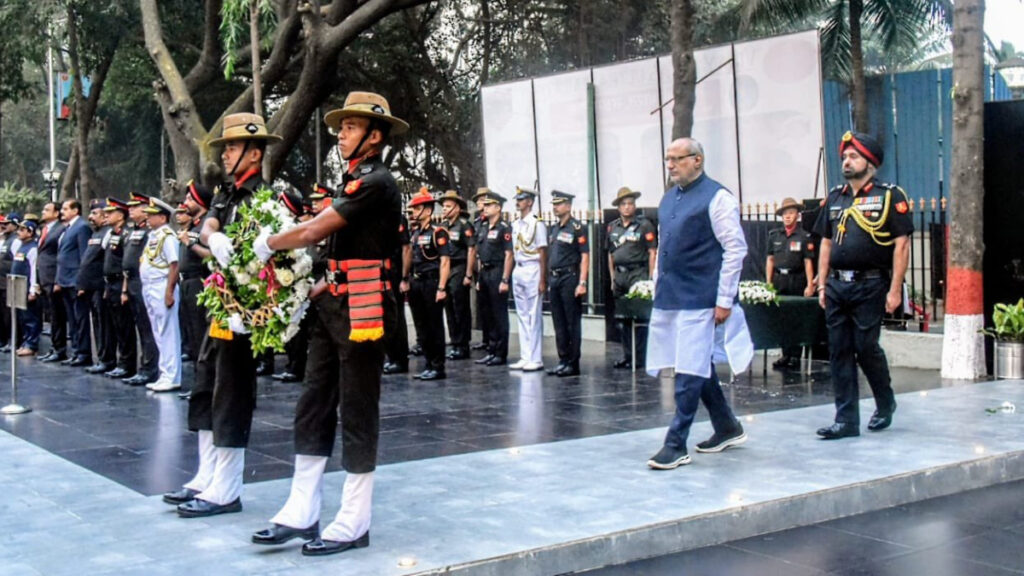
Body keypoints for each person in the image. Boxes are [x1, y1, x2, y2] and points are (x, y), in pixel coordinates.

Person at [248, 91, 403, 556]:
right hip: (333, 303)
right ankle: (302, 508)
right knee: (312, 404)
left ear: (374, 137)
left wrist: (269, 242)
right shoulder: (352, 178)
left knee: (356, 409)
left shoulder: (376, 181)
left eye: (351, 127)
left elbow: (316, 231)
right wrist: (304, 292)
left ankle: (355, 519)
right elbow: (335, 254)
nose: (341, 134)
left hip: (365, 309)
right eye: (341, 127)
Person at [165, 112, 281, 518]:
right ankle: (206, 474)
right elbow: (211, 219)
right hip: (219, 301)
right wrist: (212, 234)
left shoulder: (265, 198)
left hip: (243, 309)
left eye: (232, 147)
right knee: (206, 383)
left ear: (254, 152)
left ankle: (227, 487)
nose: (226, 154)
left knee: (231, 390)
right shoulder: (227, 192)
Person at [645, 138, 751, 470]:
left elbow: (735, 249)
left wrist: (724, 299)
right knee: (692, 362)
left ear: (698, 160)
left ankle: (676, 442)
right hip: (671, 294)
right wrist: (656, 282)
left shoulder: (718, 197)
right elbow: (664, 246)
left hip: (700, 295)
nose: (672, 165)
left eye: (678, 159)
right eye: (668, 159)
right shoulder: (668, 199)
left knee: (689, 369)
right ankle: (727, 426)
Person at [812, 131, 913, 440]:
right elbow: (826, 243)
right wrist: (821, 285)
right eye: (844, 156)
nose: (846, 161)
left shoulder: (889, 195)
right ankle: (846, 420)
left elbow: (902, 245)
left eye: (853, 156)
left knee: (865, 347)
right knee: (839, 351)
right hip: (836, 286)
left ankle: (885, 402)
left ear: (870, 163)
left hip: (870, 284)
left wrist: (895, 289)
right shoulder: (835, 196)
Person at [401, 188, 452, 380]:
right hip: (416, 282)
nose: (413, 212)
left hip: (431, 282)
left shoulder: (437, 232)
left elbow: (445, 261)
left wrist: (441, 287)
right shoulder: (415, 233)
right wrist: (406, 280)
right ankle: (429, 363)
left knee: (434, 326)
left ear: (428, 211)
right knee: (421, 326)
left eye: (417, 208)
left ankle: (438, 366)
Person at [607, 186, 657, 370]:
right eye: (624, 204)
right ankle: (628, 356)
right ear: (618, 207)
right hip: (620, 275)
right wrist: (613, 278)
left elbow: (652, 252)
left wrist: (650, 278)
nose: (627, 207)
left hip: (638, 274)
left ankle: (641, 357)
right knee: (624, 318)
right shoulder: (613, 227)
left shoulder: (644, 225)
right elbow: (610, 254)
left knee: (640, 317)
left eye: (630, 203)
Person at [766, 197, 816, 370]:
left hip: (797, 278)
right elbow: (770, 260)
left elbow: (808, 262)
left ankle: (795, 356)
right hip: (780, 279)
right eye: (785, 213)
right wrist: (768, 283)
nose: (788, 216)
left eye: (791, 213)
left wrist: (810, 284)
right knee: (781, 318)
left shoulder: (804, 236)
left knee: (796, 318)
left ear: (797, 215)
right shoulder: (775, 236)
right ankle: (785, 354)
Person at [139, 198, 182, 392]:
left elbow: (174, 264)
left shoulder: (168, 236)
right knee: (158, 331)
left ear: (162, 217)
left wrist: (169, 291)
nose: (148, 217)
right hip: (149, 286)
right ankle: (164, 373)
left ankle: (172, 375)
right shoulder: (154, 235)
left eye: (152, 214)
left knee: (168, 332)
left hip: (162, 286)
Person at [545, 190, 589, 377]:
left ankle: (573, 362)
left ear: (569, 206)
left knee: (571, 322)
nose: (555, 207)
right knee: (559, 322)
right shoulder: (554, 229)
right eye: (554, 204)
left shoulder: (577, 228)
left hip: (569, 277)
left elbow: (585, 256)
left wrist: (582, 282)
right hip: (555, 278)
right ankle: (563, 359)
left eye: (559, 204)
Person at [271, 188, 312, 383]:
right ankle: (291, 364)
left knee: (297, 328)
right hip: (283, 283)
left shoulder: (294, 230)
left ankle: (297, 367)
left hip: (297, 285)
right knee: (287, 327)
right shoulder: (280, 228)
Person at [177, 182, 214, 395]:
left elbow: (211, 254)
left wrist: (191, 245)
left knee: (201, 336)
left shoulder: (206, 227)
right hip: (187, 284)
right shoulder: (193, 226)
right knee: (191, 337)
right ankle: (198, 384)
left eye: (190, 199)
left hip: (200, 282)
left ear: (200, 202)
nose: (185, 203)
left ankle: (205, 387)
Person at [121, 193, 161, 387]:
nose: (131, 209)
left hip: (144, 282)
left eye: (136, 206)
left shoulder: (150, 232)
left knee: (148, 328)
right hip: (132, 283)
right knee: (140, 326)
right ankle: (143, 366)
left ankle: (150, 368)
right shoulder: (132, 231)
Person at [509, 187, 547, 372]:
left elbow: (542, 252)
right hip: (520, 268)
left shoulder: (536, 224)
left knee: (533, 315)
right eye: (517, 199)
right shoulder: (516, 224)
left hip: (533, 269)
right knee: (522, 315)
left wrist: (542, 279)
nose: (518, 202)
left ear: (530, 202)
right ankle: (525, 356)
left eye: (522, 199)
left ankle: (536, 357)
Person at [474, 191, 513, 366]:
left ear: (498, 207)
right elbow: (479, 253)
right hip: (485, 271)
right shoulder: (482, 227)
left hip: (497, 270)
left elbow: (508, 254)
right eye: (485, 205)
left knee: (499, 314)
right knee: (487, 313)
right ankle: (491, 349)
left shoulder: (504, 228)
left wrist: (505, 279)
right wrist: (479, 277)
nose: (485, 207)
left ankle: (500, 352)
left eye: (489, 205)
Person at [100, 199, 136, 379]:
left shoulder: (126, 234)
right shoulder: (112, 234)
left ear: (121, 215)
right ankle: (117, 361)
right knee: (115, 326)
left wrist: (124, 290)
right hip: (110, 283)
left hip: (120, 282)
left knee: (124, 326)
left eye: (110, 212)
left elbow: (125, 265)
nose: (106, 215)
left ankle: (127, 363)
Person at [437, 190, 475, 361]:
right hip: (446, 268)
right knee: (449, 306)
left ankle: (463, 344)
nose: (444, 209)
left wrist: (468, 274)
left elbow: (471, 249)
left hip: (459, 267)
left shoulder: (464, 225)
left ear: (457, 208)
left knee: (460, 307)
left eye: (448, 206)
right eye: (443, 206)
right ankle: (454, 342)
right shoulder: (443, 226)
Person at [56, 200, 93, 367]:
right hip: (65, 280)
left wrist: (82, 282)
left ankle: (84, 352)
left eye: (65, 209)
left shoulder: (82, 227)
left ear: (75, 210)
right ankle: (77, 350)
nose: (62, 212)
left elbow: (84, 256)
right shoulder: (67, 228)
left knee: (80, 318)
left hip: (75, 280)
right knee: (72, 318)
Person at [80, 199, 115, 374]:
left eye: (95, 213)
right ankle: (101, 356)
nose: (91, 217)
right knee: (98, 323)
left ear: (104, 215)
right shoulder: (96, 233)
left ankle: (107, 359)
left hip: (101, 286)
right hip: (92, 287)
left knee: (105, 324)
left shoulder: (107, 233)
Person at [36, 202, 68, 363]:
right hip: (44, 278)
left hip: (54, 278)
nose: (43, 212)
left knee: (58, 316)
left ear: (56, 213)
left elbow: (61, 256)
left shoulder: (61, 229)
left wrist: (57, 279)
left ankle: (60, 348)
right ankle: (54, 346)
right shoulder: (46, 229)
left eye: (47, 210)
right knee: (51, 316)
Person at [381, 212, 411, 375]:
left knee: (397, 316)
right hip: (381, 272)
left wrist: (404, 277)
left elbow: (406, 249)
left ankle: (400, 359)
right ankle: (392, 357)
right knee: (386, 316)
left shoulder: (397, 218)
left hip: (394, 271)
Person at [12, 217, 41, 356]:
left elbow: (34, 269)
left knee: (31, 318)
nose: (19, 232)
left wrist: (33, 290)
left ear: (30, 232)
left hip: (27, 286)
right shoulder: (21, 246)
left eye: (22, 230)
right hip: (18, 286)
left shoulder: (33, 248)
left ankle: (31, 344)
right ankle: (25, 342)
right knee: (23, 318)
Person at [468, 187, 491, 351]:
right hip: (477, 264)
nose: (479, 202)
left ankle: (492, 340)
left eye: (482, 199)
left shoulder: (492, 221)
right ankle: (485, 337)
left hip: (488, 264)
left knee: (491, 305)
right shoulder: (476, 221)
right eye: (478, 200)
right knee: (482, 303)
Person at [0, 214, 21, 352]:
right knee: (2, 313)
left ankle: (12, 340)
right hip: (1, 281)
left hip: (9, 282)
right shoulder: (5, 240)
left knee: (10, 314)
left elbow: (16, 262)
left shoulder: (15, 241)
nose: (4, 226)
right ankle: (3, 339)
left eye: (8, 223)